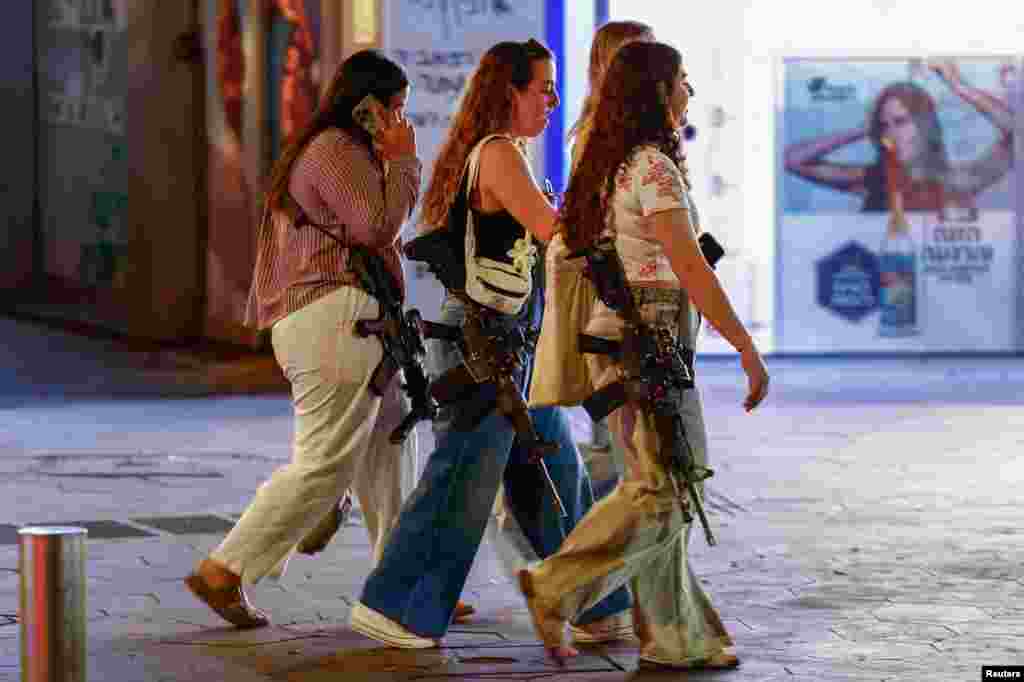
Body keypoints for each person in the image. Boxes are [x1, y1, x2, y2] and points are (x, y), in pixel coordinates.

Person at [352, 38, 631, 648]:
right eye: (544, 87)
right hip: (487, 348)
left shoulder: (508, 153)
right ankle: (394, 605)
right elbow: (556, 235)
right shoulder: (500, 154)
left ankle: (595, 603)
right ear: (511, 92)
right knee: (461, 480)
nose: (554, 99)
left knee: (555, 469)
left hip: (514, 350)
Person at [520, 41, 769, 669]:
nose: (690, 91)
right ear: (658, 93)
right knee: (667, 488)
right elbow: (689, 267)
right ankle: (554, 584)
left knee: (658, 484)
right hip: (648, 340)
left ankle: (675, 637)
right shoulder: (653, 168)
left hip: (618, 340)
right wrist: (744, 345)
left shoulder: (608, 166)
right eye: (682, 80)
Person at [183, 49, 421, 628]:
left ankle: (402, 575)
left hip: (352, 322)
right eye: (395, 109)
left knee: (391, 438)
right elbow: (376, 227)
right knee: (325, 463)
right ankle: (225, 568)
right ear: (366, 108)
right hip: (334, 318)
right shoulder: (336, 150)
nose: (399, 122)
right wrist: (405, 163)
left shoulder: (344, 151)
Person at [567, 19, 654, 483]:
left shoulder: (634, 128)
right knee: (625, 442)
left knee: (631, 439)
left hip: (634, 295)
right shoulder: (600, 131)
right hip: (616, 296)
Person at [784, 60, 1014, 213]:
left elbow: (1016, 135)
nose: (891, 133)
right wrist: (863, 129)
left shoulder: (959, 179)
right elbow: (793, 160)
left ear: (926, 127)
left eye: (901, 122)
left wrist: (960, 87)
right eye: (885, 125)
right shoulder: (870, 179)